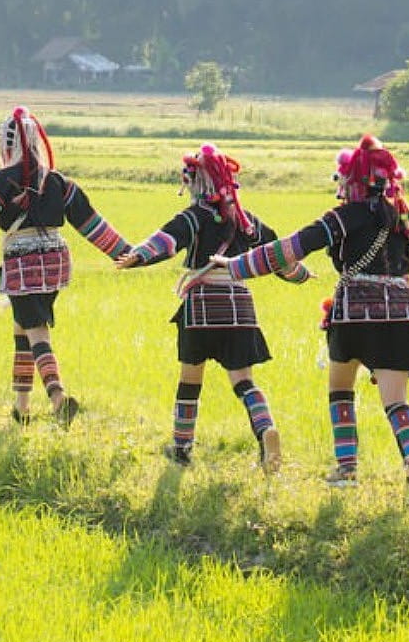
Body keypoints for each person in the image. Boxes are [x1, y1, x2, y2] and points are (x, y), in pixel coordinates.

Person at [211, 134, 409, 499]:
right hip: (400, 318)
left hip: (353, 316)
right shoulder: (406, 220)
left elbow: (292, 247)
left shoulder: (341, 218)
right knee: (396, 401)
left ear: (351, 180)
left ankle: (346, 469)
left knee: (341, 391)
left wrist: (237, 265)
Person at [0, 106, 131, 427]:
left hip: (22, 265)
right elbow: (90, 223)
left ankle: (58, 397)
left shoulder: (2, 181)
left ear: (6, 143)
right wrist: (126, 253)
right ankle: (21, 406)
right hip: (57, 263)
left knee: (36, 331)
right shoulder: (58, 181)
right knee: (23, 330)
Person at [115, 143, 311, 473]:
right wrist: (301, 274)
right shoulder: (248, 222)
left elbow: (167, 239)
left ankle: (180, 447)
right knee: (244, 381)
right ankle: (265, 431)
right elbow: (277, 254)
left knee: (191, 378)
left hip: (203, 305)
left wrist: (139, 255)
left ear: (195, 181)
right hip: (240, 306)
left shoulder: (195, 215)